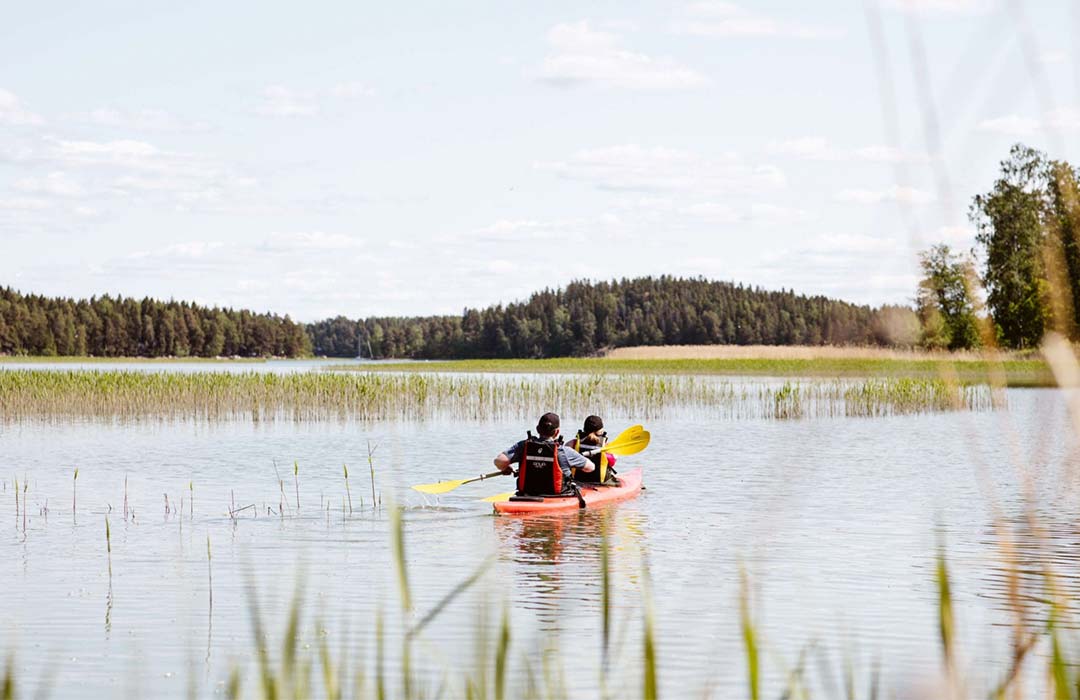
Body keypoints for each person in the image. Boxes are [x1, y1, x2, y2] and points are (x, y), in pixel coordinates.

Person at [494, 412, 593, 496]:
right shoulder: (564, 451)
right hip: (557, 496)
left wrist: (505, 468)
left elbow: (499, 461)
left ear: (537, 429)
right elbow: (590, 467)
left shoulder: (523, 446)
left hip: (527, 494)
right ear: (557, 432)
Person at [567, 415, 618, 485]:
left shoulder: (573, 443)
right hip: (599, 483)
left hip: (577, 481)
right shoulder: (606, 446)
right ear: (600, 431)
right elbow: (612, 462)